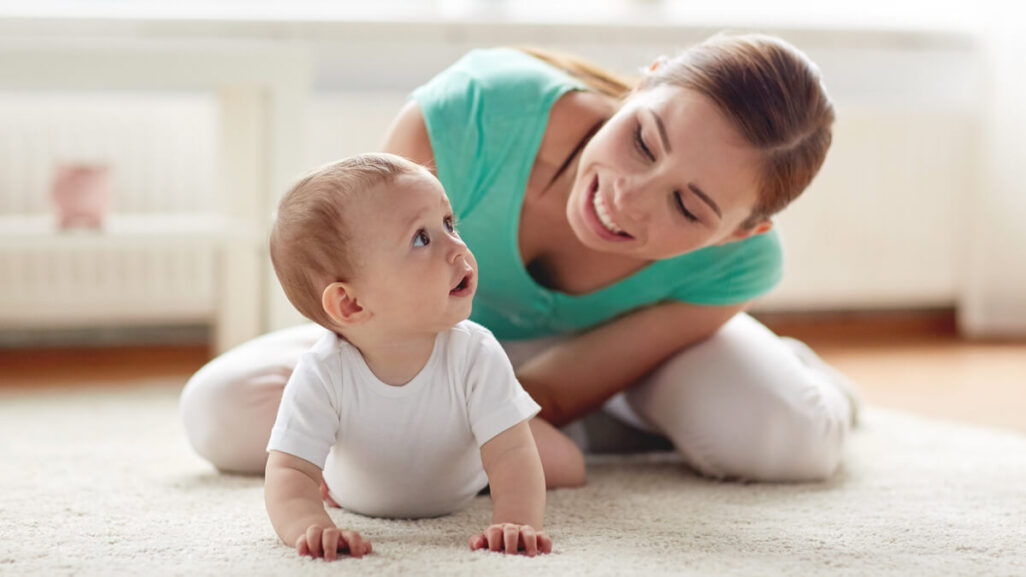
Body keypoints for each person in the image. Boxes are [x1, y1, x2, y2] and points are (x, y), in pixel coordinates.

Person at [181, 33, 857, 487]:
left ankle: (793, 374)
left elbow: (558, 390)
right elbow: (372, 295)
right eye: (644, 141)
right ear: (641, 85)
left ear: (744, 230)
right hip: (425, 338)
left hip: (622, 362)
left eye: (688, 206)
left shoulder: (740, 265)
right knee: (222, 412)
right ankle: (612, 432)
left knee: (786, 439)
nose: (627, 196)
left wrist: (455, 437)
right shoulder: (473, 113)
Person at [263, 153, 568, 560]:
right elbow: (290, 473)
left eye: (448, 223)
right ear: (351, 305)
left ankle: (548, 432)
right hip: (352, 496)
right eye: (421, 239)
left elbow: (512, 454)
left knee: (566, 466)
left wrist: (515, 520)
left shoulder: (475, 351)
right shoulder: (322, 372)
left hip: (465, 485)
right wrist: (311, 527)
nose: (457, 248)